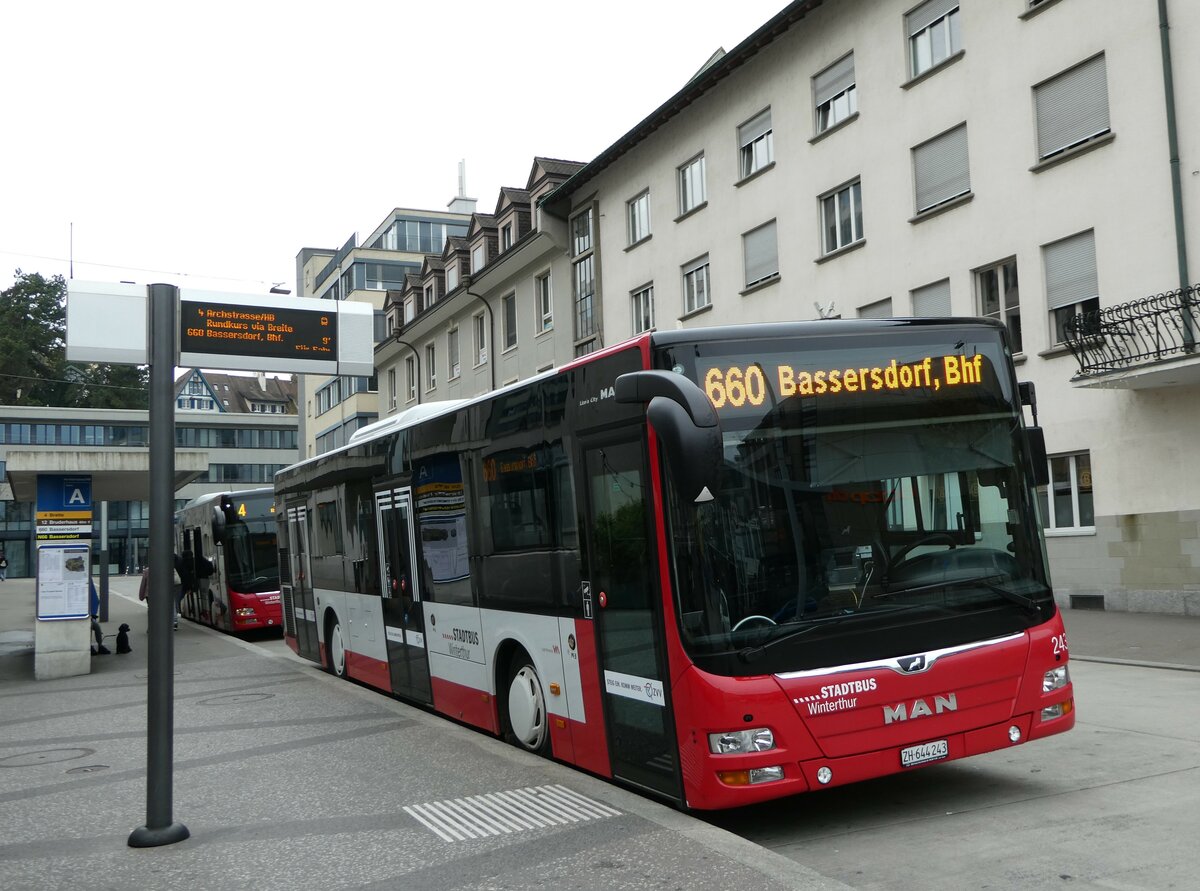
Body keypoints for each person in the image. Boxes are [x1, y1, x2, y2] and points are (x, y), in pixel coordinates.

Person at [90, 576, 110, 655]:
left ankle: (100, 645)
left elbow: (95, 600)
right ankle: (90, 646)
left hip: (89, 617)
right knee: (92, 626)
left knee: (96, 627)